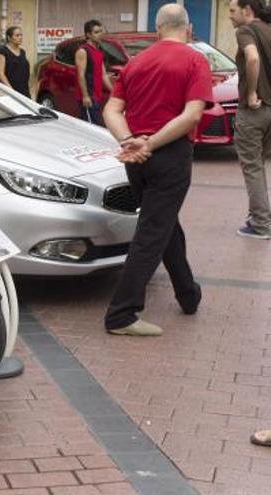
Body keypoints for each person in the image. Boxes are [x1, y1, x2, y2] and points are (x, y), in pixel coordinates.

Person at [102, 4, 211, 337]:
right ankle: (121, 314)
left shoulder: (136, 62)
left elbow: (112, 109)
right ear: (188, 28)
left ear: (158, 28)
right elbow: (192, 115)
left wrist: (131, 140)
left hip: (139, 161)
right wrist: (151, 143)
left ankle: (187, 293)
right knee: (152, 232)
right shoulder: (195, 60)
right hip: (170, 155)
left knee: (162, 224)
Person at [229, 0, 271, 239]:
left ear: (247, 10)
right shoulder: (268, 28)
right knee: (259, 166)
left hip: (254, 110)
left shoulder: (246, 30)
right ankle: (261, 214)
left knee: (253, 168)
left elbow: (252, 59)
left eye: (233, 11)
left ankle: (261, 224)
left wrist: (252, 91)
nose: (230, 17)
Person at [76, 20, 114, 125]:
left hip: (97, 96)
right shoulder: (83, 51)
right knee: (91, 128)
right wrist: (85, 96)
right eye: (96, 32)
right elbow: (81, 75)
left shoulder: (99, 52)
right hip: (89, 97)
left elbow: (103, 75)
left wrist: (113, 91)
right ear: (88, 34)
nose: (100, 35)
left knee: (95, 126)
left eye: (101, 31)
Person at [0, 26, 31, 98]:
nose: (20, 37)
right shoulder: (2, 51)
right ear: (9, 38)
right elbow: (0, 73)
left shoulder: (22, 52)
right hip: (10, 92)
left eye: (21, 35)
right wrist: (11, 91)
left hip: (23, 92)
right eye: (17, 35)